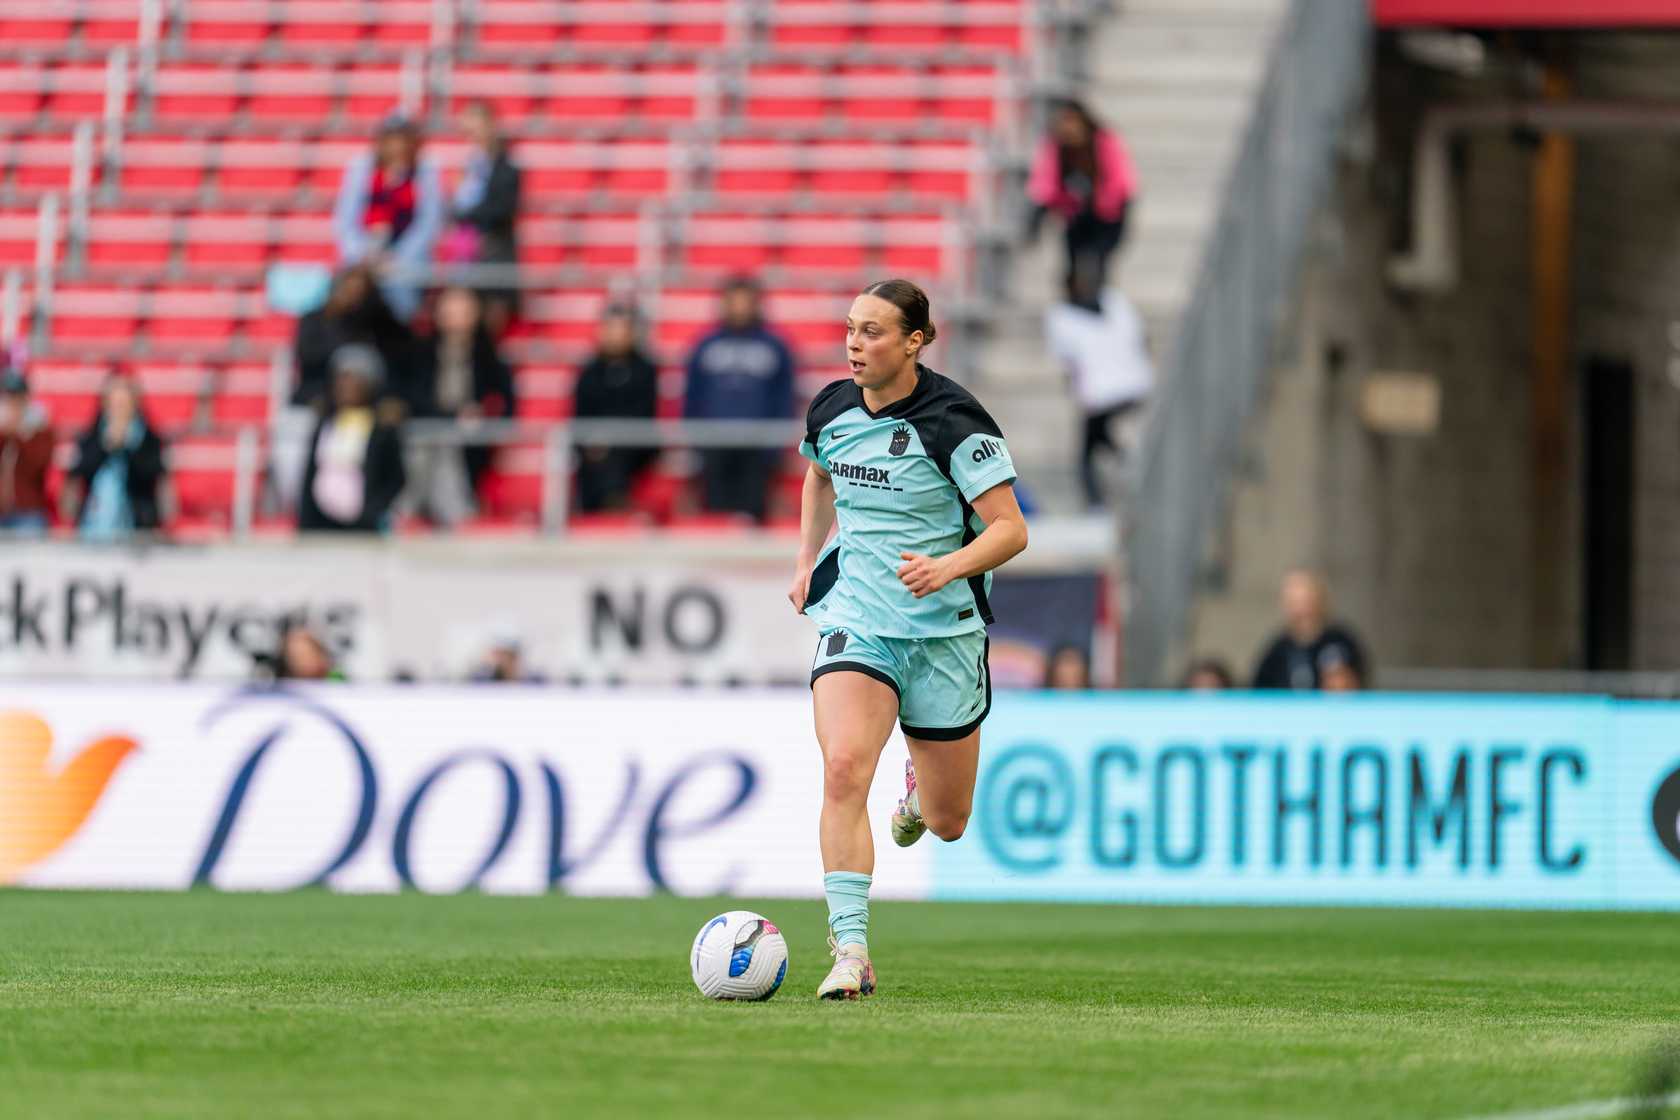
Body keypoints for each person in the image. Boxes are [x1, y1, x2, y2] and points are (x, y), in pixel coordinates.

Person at [788, 279, 1028, 1000]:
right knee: (843, 769)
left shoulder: (955, 421)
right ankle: (850, 951)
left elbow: (1011, 529)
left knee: (949, 822)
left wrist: (947, 567)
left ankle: (921, 792)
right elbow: (818, 477)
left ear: (915, 341)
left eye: (873, 332)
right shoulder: (832, 408)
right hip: (858, 617)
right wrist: (805, 561)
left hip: (942, 632)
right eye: (850, 329)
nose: (854, 345)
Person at [684, 276, 795, 522]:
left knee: (753, 515)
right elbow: (693, 396)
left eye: (745, 302)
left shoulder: (776, 346)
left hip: (758, 445)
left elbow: (784, 397)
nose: (740, 308)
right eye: (734, 301)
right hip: (714, 444)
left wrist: (777, 445)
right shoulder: (705, 344)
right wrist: (695, 440)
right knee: (715, 514)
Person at [402, 285, 515, 526]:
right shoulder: (422, 350)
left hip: (470, 436)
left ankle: (434, 509)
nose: (457, 316)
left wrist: (486, 416)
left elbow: (506, 398)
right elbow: (413, 396)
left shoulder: (486, 353)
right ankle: (442, 510)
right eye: (451, 309)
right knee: (427, 445)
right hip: (429, 426)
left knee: (446, 445)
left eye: (463, 309)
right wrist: (451, 415)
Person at [1045, 271, 1153, 508]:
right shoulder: (1116, 302)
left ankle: (1096, 502)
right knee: (1099, 437)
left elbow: (1068, 365)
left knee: (1086, 454)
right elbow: (1143, 339)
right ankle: (1128, 462)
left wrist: (1078, 393)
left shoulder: (1061, 317)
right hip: (1135, 384)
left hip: (1101, 393)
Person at [333, 113, 444, 322]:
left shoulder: (425, 171)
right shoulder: (362, 168)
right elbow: (346, 219)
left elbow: (428, 223)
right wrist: (362, 254)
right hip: (365, 256)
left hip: (407, 259)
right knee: (354, 293)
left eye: (402, 140)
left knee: (401, 297)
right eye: (392, 140)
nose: (397, 147)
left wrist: (399, 258)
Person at [1027, 98, 1137, 293]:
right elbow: (1046, 183)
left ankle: (1097, 298)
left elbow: (1120, 181)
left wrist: (1101, 203)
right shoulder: (1057, 147)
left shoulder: (1103, 141)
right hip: (1076, 215)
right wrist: (1042, 211)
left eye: (1072, 121)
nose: (1068, 128)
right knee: (1072, 264)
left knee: (1097, 261)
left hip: (1108, 215)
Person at [298, 345, 407, 533]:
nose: (344, 386)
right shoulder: (326, 423)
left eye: (353, 379)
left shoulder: (382, 429)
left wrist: (373, 510)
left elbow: (396, 479)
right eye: (341, 378)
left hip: (363, 527)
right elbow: (310, 474)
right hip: (321, 525)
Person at [573, 303, 659, 513]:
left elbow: (644, 414)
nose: (615, 336)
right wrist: (593, 440)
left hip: (635, 446)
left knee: (611, 460)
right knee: (591, 461)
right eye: (610, 329)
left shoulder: (645, 370)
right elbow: (580, 415)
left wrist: (610, 438)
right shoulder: (589, 371)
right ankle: (594, 513)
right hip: (593, 447)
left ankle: (612, 508)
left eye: (621, 329)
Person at [445, 101, 522, 336]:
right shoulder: (470, 165)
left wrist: (467, 213)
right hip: (467, 253)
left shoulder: (507, 165)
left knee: (492, 319)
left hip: (494, 251)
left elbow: (503, 207)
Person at [291, 265, 414, 411]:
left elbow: (397, 352)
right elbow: (309, 357)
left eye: (361, 293)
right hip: (319, 390)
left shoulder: (378, 323)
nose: (354, 298)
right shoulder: (314, 321)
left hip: (372, 399)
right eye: (348, 290)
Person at [63, 374, 166, 540]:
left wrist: (128, 445)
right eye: (115, 404)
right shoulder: (91, 437)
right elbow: (81, 472)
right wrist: (106, 445)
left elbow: (150, 475)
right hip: (94, 526)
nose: (119, 410)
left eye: (124, 404)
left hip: (136, 526)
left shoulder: (149, 439)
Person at [1250, 569, 1370, 690]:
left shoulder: (1340, 642)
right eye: (1294, 603)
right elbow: (1259, 689)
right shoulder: (1277, 651)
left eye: (1305, 601)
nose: (1300, 610)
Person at [0, 366, 54, 534]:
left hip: (28, 512)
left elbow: (38, 466)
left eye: (17, 398)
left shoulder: (41, 429)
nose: (12, 404)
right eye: (8, 398)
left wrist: (19, 434)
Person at [469, 631, 546, 684]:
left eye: (502, 654)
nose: (498, 660)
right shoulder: (481, 681)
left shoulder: (535, 681)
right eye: (496, 654)